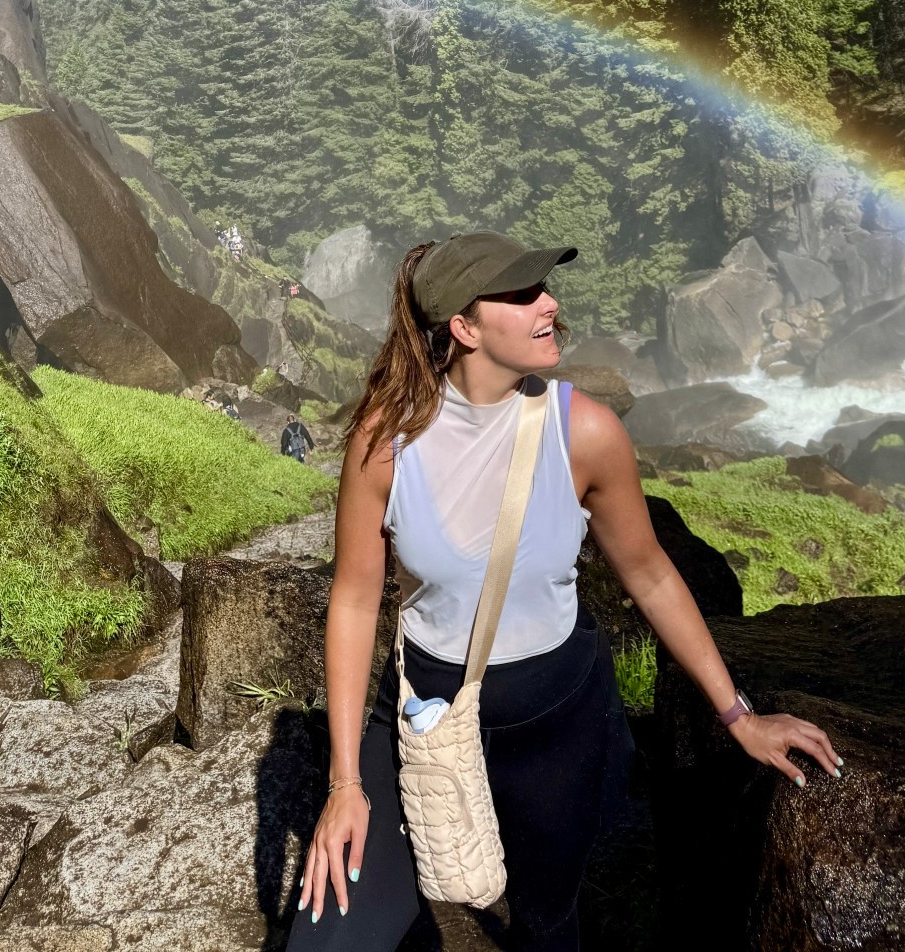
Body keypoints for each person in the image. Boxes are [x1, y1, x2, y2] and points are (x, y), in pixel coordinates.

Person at [291, 234, 840, 952]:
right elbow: (357, 600)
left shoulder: (585, 431)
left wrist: (739, 717)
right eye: (522, 296)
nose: (550, 304)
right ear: (464, 327)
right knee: (393, 914)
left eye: (543, 288)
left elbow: (649, 573)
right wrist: (344, 784)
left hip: (557, 722)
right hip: (434, 709)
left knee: (549, 918)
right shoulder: (385, 443)